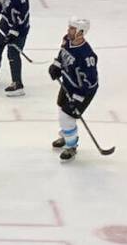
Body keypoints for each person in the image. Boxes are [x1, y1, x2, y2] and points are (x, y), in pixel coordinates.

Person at [49, 17, 98, 162]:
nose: (68, 30)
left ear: (81, 32)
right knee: (61, 107)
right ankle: (66, 135)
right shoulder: (67, 40)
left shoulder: (87, 55)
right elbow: (62, 53)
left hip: (83, 91)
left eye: (72, 28)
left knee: (67, 115)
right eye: (69, 27)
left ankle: (71, 146)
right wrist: (56, 66)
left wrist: (77, 99)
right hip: (68, 83)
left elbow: (91, 81)